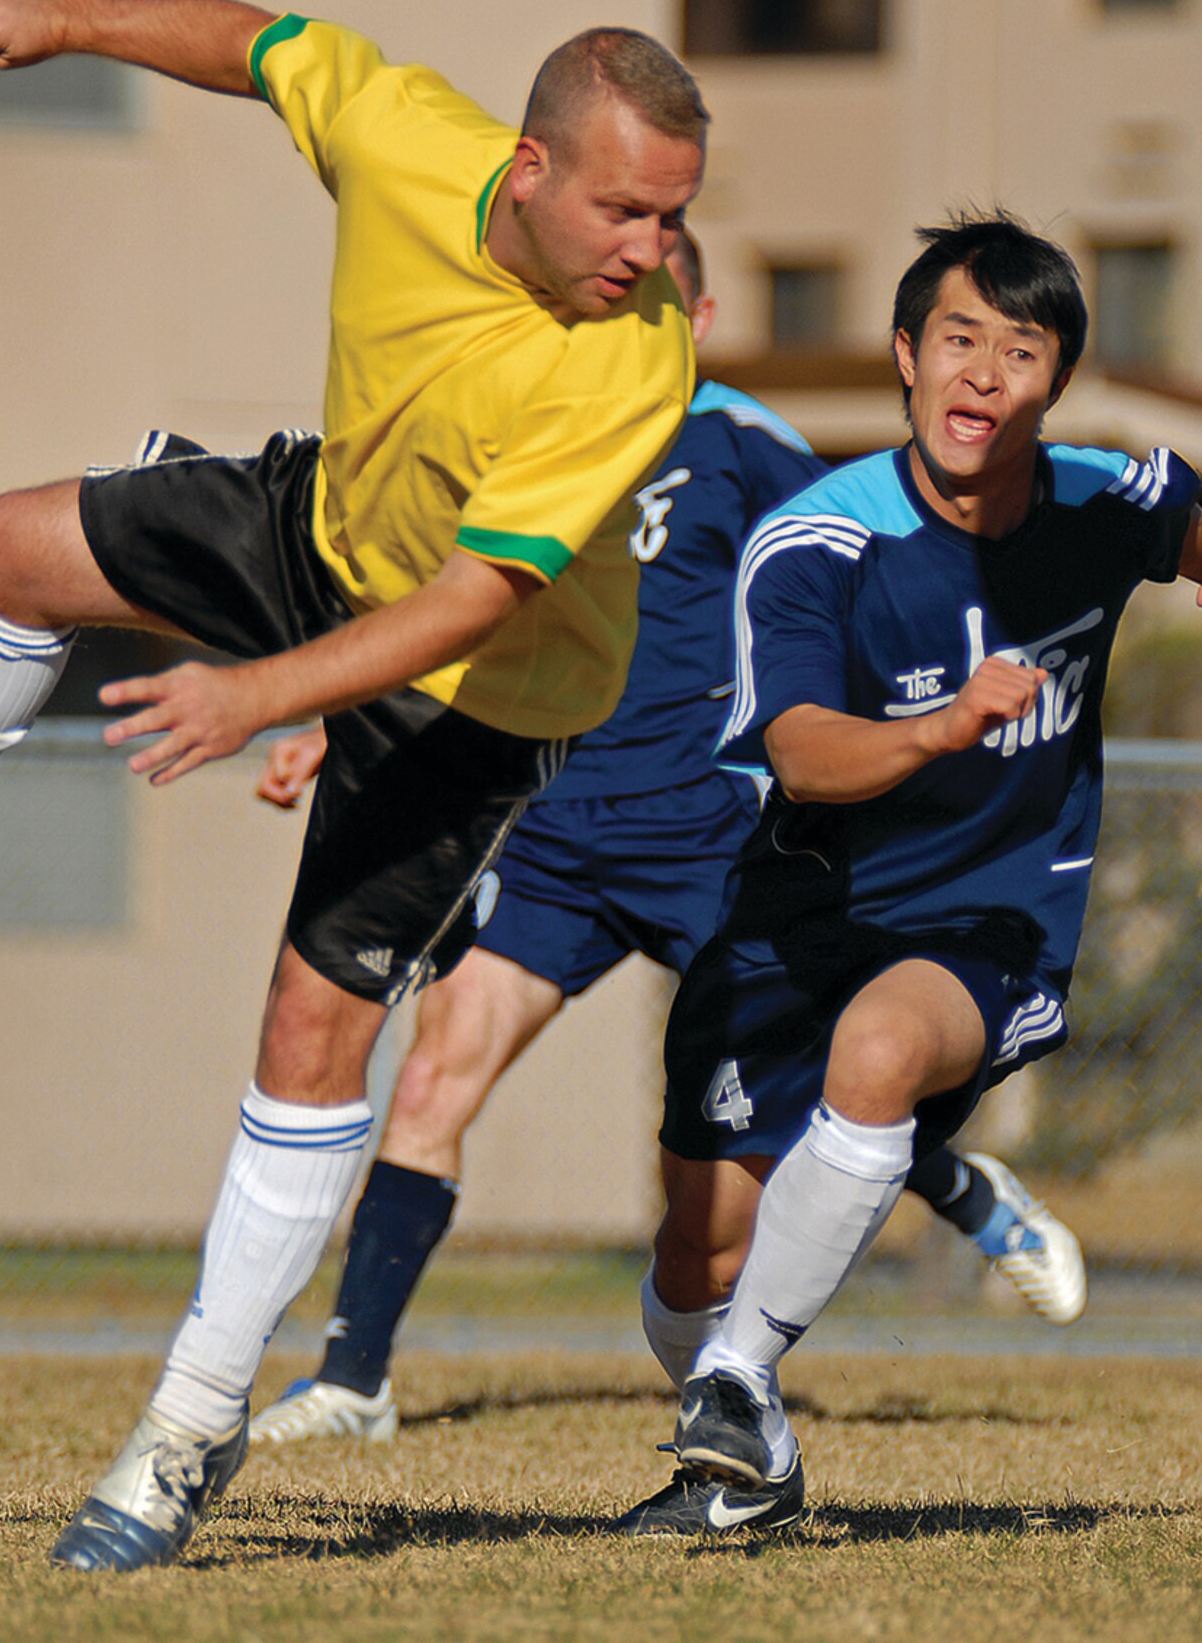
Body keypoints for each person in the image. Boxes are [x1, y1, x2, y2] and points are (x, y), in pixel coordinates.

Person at [0, 0, 708, 1571]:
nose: (651, 255)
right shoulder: (408, 139)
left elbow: (474, 600)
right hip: (317, 530)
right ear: (525, 170)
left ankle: (186, 1430)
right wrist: (62, 12)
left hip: (480, 692)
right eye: (625, 212)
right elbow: (266, 51)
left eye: (674, 221)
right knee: (5, 548)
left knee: (312, 1028)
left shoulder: (632, 358)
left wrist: (258, 694)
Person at [243, 235, 1086, 1526]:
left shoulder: (746, 442)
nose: (631, 316)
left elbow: (868, 569)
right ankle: (355, 1376)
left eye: (658, 300)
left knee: (802, 1091)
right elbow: (459, 603)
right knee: (433, 1068)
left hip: (713, 832)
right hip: (553, 831)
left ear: (696, 310)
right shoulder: (536, 427)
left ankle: (960, 1183)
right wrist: (335, 711)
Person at [618, 211, 1202, 1536]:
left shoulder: (1102, 501)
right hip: (796, 918)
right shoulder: (817, 544)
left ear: (1056, 380)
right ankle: (745, 1457)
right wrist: (943, 725)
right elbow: (801, 758)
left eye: (1020, 350)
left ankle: (742, 1382)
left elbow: (1176, 513)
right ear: (904, 356)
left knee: (877, 1054)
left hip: (991, 916)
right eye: (958, 341)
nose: (984, 375)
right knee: (693, 1259)